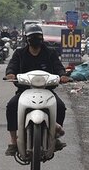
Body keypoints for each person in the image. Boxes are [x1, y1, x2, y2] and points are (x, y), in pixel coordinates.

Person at [4, 24, 70, 156]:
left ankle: (55, 135)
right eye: (32, 37)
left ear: (42, 38)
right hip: (24, 91)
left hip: (47, 91)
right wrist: (10, 73)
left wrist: (63, 75)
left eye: (38, 37)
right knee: (11, 106)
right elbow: (12, 66)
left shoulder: (50, 53)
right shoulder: (19, 53)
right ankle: (13, 141)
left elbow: (58, 67)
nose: (35, 39)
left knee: (61, 107)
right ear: (26, 39)